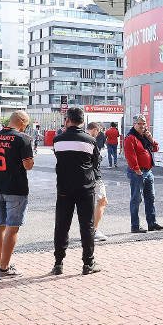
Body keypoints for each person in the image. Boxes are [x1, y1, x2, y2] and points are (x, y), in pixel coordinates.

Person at [51, 109, 101, 275]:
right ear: (82, 121)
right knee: (87, 225)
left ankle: (58, 263)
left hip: (64, 188)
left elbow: (59, 158)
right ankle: (88, 263)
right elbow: (95, 163)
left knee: (61, 225)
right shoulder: (91, 141)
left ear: (67, 120)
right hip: (86, 188)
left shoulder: (57, 140)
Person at [0, 110, 34, 279]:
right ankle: (4, 269)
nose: (26, 127)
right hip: (16, 188)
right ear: (21, 121)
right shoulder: (23, 139)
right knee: (13, 228)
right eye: (26, 124)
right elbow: (28, 165)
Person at [123, 115, 163, 233]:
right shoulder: (131, 138)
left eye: (144, 124)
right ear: (134, 124)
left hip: (148, 171)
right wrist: (137, 170)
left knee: (150, 198)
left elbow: (155, 148)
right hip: (138, 172)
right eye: (139, 124)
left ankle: (152, 223)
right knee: (136, 199)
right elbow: (130, 156)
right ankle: (135, 226)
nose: (142, 126)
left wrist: (151, 139)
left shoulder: (144, 137)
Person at [85, 122, 109, 242]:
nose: (99, 134)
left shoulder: (80, 139)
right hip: (93, 175)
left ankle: (87, 231)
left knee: (85, 204)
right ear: (94, 130)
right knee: (102, 200)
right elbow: (95, 160)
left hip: (80, 177)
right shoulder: (91, 141)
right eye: (98, 131)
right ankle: (93, 230)